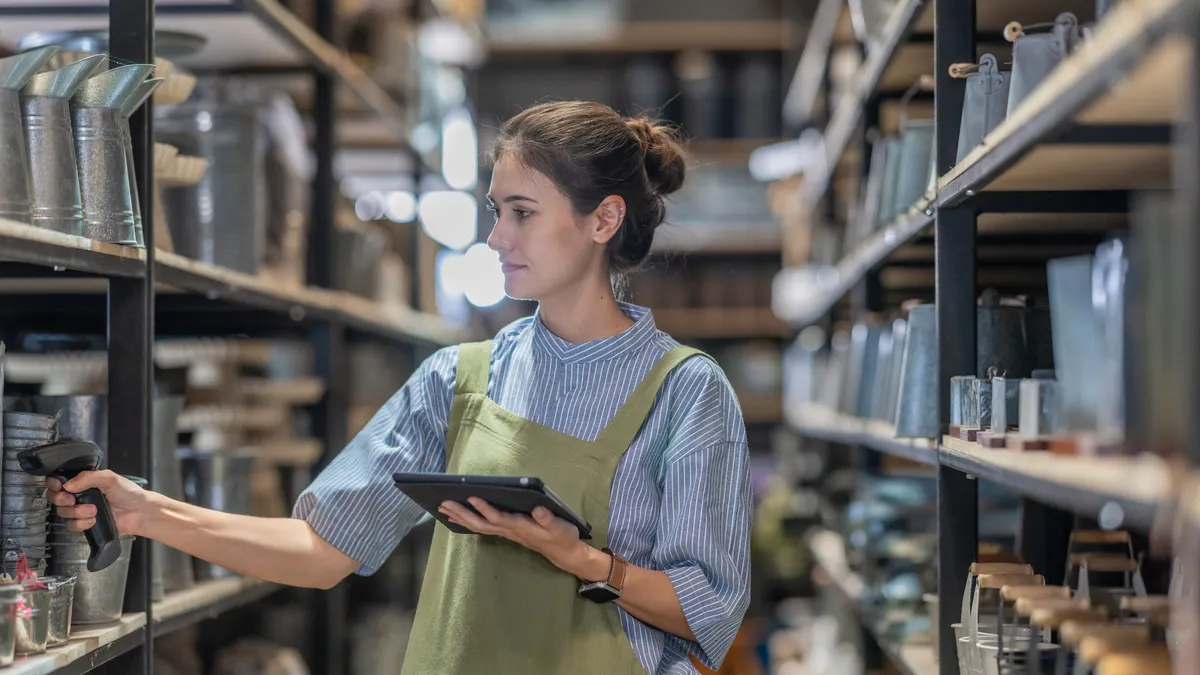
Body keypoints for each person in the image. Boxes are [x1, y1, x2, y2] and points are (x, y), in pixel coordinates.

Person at [49, 101, 752, 675]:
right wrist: (146, 513)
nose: (496, 237)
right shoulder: (459, 379)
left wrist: (580, 558)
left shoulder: (686, 394)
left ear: (603, 219)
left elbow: (708, 610)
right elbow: (322, 550)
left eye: (522, 213)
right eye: (495, 210)